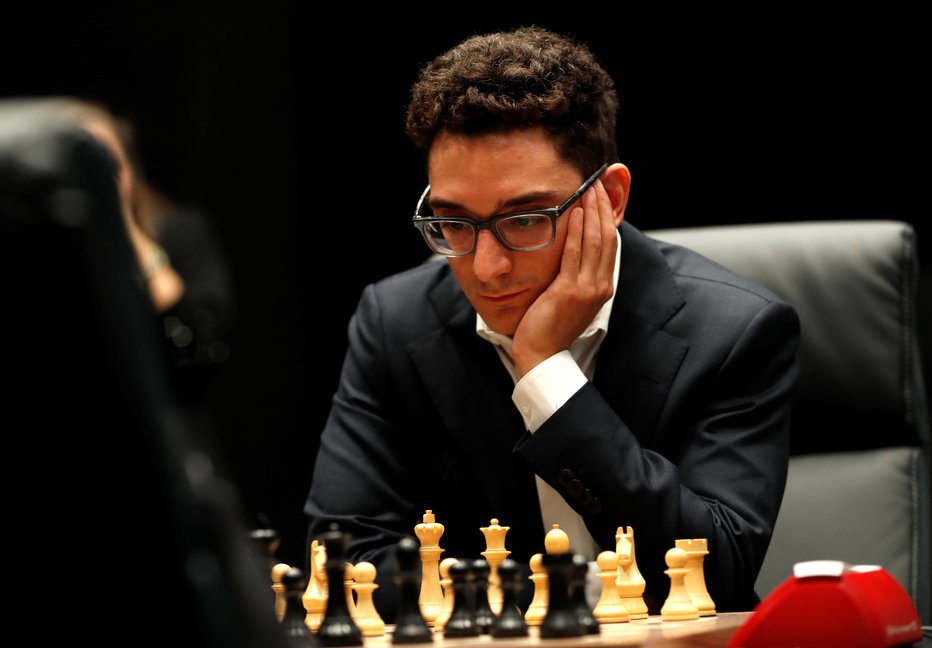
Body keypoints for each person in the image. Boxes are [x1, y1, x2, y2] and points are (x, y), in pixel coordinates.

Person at [304, 26, 800, 621]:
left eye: (525, 219)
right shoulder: (395, 322)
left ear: (610, 198)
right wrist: (552, 603)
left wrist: (545, 372)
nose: (486, 268)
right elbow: (345, 561)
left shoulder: (737, 331)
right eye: (453, 223)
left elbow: (714, 571)